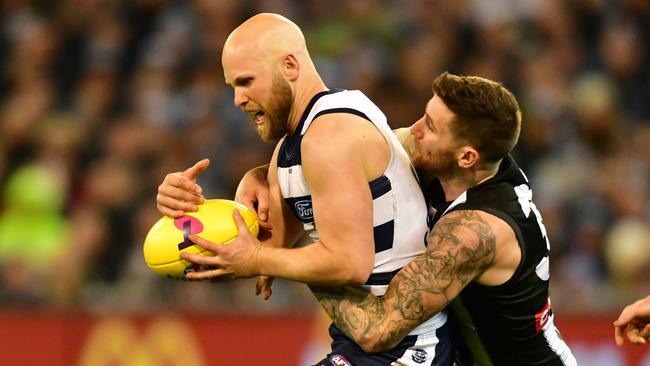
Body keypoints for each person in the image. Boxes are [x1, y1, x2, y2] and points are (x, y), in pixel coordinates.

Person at [155, 13, 454, 366]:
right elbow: (259, 253)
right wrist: (189, 211)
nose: (237, 99)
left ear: (290, 65)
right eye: (232, 86)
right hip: (363, 344)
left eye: (247, 81)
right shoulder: (292, 146)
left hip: (408, 348)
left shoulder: (330, 136)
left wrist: (256, 258)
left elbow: (347, 264)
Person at [233, 72, 578, 365]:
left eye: (430, 126)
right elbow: (343, 164)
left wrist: (300, 255)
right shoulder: (453, 162)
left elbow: (377, 330)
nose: (414, 129)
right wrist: (264, 176)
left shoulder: (474, 232)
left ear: (467, 157)